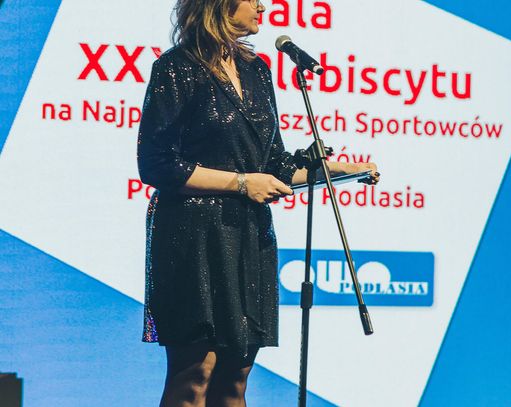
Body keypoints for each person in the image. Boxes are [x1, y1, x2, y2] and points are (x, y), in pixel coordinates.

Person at [137, 0, 379, 406]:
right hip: (192, 237)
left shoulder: (257, 70)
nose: (262, 5)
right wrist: (241, 183)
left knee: (235, 377)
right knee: (195, 373)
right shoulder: (176, 67)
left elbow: (272, 166)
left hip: (248, 235)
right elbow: (156, 164)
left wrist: (337, 170)